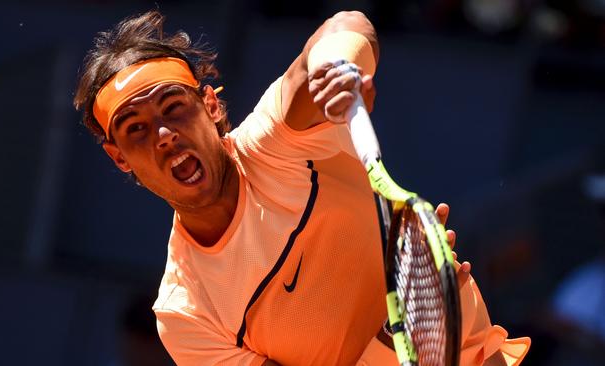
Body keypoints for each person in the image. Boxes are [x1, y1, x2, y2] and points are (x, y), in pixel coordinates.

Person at [74, 10, 530, 366]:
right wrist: (392, 340)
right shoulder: (185, 315)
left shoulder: (277, 139)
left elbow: (346, 25)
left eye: (174, 107)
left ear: (210, 106)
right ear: (119, 158)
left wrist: (341, 67)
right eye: (135, 129)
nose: (164, 135)